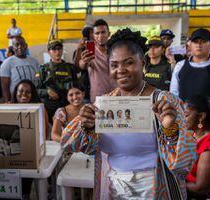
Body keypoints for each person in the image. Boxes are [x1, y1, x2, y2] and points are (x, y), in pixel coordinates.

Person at [61, 28, 196, 199]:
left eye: (129, 62)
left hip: (155, 186)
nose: (121, 70)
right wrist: (85, 126)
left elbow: (186, 161)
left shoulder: (164, 101)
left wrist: (170, 129)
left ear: (144, 64)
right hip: (114, 186)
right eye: (114, 65)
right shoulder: (104, 104)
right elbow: (69, 144)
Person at [170, 28, 210, 142]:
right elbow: (174, 98)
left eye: (203, 41)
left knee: (209, 158)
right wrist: (175, 125)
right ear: (190, 45)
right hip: (185, 125)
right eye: (195, 42)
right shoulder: (180, 66)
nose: (199, 45)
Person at [36, 40, 78, 121]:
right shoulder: (43, 69)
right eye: (54, 50)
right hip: (50, 107)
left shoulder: (70, 67)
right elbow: (36, 89)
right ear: (49, 52)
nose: (57, 52)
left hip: (67, 105)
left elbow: (76, 87)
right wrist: (47, 92)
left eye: (59, 49)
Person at [78, 19, 115, 103]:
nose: (100, 36)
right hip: (98, 98)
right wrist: (84, 61)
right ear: (93, 36)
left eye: (103, 32)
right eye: (97, 33)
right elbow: (82, 65)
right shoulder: (90, 50)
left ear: (109, 34)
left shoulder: (116, 49)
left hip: (116, 95)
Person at [0, 36, 39, 103]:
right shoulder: (7, 63)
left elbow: (37, 79)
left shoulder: (34, 61)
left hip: (32, 99)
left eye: (22, 44)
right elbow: (5, 87)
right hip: (16, 100)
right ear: (13, 48)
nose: (20, 47)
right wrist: (7, 101)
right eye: (17, 44)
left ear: (26, 46)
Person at [73, 25, 93, 103]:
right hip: (86, 87)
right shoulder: (80, 50)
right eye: (88, 34)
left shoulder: (103, 48)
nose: (90, 36)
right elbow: (76, 69)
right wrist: (79, 49)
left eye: (92, 33)